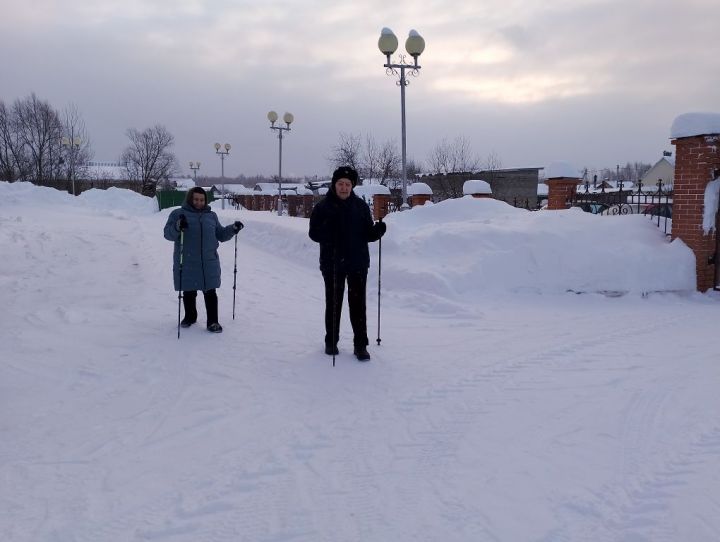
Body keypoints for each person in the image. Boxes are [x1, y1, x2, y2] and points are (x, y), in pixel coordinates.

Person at [308, 166, 387, 361]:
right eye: (340, 184)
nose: (344, 188)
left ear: (352, 186)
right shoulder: (322, 207)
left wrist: (377, 232)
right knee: (334, 303)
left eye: (347, 184)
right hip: (332, 263)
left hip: (357, 263)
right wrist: (328, 231)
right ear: (334, 185)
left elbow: (368, 234)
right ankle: (331, 341)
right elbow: (314, 233)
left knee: (358, 305)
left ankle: (360, 345)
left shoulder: (360, 207)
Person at [163, 187, 243, 333]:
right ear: (190, 199)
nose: (199, 202)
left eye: (202, 200)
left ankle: (213, 322)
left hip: (208, 261)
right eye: (196, 199)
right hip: (187, 260)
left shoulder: (211, 216)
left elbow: (220, 234)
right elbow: (168, 234)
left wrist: (233, 229)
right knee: (189, 291)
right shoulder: (178, 214)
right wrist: (177, 226)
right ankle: (190, 316)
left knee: (210, 292)